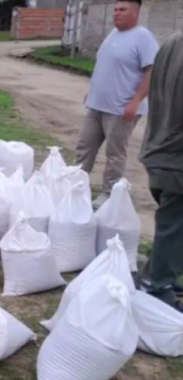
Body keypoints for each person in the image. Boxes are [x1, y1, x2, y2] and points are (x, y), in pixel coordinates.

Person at [74, 0, 159, 209]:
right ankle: (74, 185)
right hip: (97, 105)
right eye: (115, 10)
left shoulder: (143, 38)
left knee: (114, 154)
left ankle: (109, 193)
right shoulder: (113, 34)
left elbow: (152, 71)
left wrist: (136, 101)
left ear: (136, 13)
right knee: (84, 147)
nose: (116, 13)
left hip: (121, 110)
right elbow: (106, 66)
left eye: (122, 10)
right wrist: (91, 92)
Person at [138, 31, 183, 313]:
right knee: (175, 225)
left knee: (172, 224)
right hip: (177, 157)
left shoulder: (172, 42)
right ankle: (156, 286)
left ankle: (158, 272)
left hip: (158, 146)